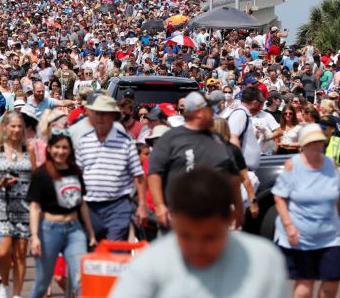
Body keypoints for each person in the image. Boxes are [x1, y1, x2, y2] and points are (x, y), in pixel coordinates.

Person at [110, 168, 288, 298]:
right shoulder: (150, 263)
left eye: (209, 237)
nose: (197, 248)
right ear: (174, 221)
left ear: (231, 219)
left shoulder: (265, 261)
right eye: (185, 236)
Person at [148, 92, 243, 230]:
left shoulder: (218, 139)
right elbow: (154, 173)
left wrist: (238, 207)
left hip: (214, 217)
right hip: (179, 218)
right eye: (210, 109)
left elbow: (233, 176)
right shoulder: (170, 139)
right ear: (199, 113)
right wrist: (159, 205)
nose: (214, 112)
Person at [273, 124, 340, 298]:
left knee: (332, 282)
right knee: (305, 284)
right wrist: (289, 226)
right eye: (312, 143)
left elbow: (337, 197)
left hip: (331, 236)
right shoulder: (292, 165)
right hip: (301, 236)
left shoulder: (330, 164)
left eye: (319, 142)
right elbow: (279, 197)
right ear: (303, 145)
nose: (317, 146)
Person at [27, 132, 97, 298]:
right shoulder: (41, 174)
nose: (61, 151)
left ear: (70, 150)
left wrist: (91, 232)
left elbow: (82, 204)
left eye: (65, 147)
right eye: (57, 147)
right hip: (49, 230)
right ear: (49, 149)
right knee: (42, 285)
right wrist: (35, 236)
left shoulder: (75, 171)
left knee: (81, 280)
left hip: (75, 230)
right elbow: (35, 207)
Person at [73, 94, 147, 241]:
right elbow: (77, 175)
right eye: (96, 113)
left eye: (104, 114)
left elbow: (138, 176)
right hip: (89, 207)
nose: (100, 118)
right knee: (93, 251)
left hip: (118, 206)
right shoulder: (84, 141)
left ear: (112, 116)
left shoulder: (125, 142)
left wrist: (142, 205)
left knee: (116, 251)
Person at [0, 111, 36, 298]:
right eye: (12, 126)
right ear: (5, 127)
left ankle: (16, 294)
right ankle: (5, 285)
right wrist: (0, 183)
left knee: (21, 253)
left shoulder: (28, 149)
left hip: (24, 206)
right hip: (2, 204)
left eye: (19, 126)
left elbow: (35, 177)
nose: (16, 130)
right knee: (4, 251)